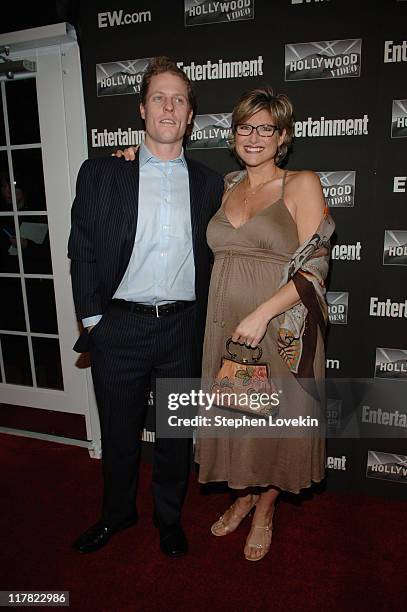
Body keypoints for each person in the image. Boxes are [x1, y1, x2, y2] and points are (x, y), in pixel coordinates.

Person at [68, 56, 224, 558]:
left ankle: (168, 518)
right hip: (119, 327)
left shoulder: (209, 184)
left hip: (181, 329)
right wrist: (94, 320)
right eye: (159, 97)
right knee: (118, 434)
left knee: (175, 437)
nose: (169, 107)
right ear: (141, 109)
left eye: (179, 99)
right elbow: (83, 249)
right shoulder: (102, 172)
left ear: (190, 117)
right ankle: (116, 514)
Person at [194, 87, 334, 561]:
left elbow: (314, 268)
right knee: (240, 417)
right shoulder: (227, 184)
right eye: (245, 127)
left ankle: (265, 509)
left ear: (283, 136)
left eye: (266, 128)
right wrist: (129, 157)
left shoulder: (301, 183)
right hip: (226, 329)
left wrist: (261, 313)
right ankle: (244, 493)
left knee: (279, 425)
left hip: (279, 331)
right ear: (234, 135)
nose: (254, 136)